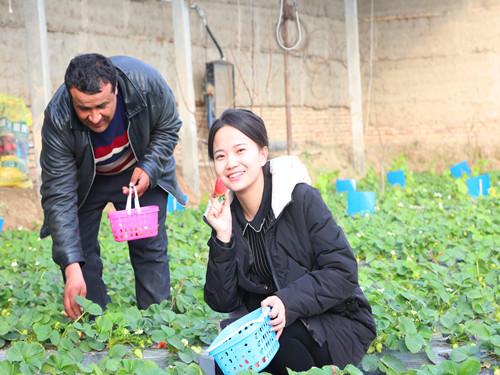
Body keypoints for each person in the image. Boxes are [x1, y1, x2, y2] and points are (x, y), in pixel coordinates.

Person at [203, 109, 376, 374]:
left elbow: (343, 272)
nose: (230, 163)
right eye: (220, 156)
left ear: (262, 154)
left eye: (240, 151)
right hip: (269, 328)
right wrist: (223, 238)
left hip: (333, 320)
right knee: (221, 364)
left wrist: (287, 301)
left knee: (283, 348)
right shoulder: (229, 217)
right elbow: (221, 302)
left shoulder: (301, 199)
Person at [40, 53, 186, 320]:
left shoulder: (145, 82)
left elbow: (169, 126)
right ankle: (91, 320)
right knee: (81, 250)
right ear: (72, 97)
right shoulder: (58, 116)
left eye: (102, 106)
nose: (94, 118)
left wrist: (150, 166)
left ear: (116, 88)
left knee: (148, 245)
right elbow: (58, 193)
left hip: (138, 170)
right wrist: (71, 266)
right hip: (88, 179)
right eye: (83, 109)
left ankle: (156, 322)